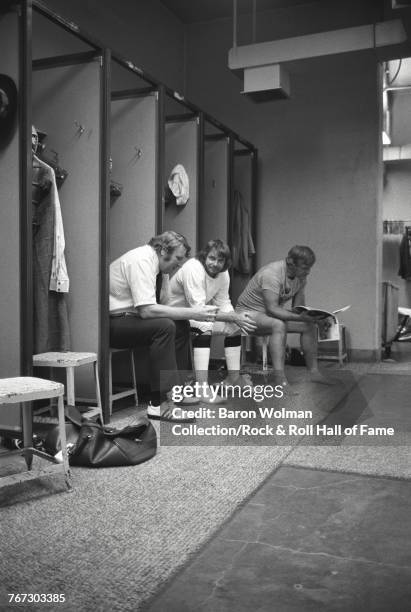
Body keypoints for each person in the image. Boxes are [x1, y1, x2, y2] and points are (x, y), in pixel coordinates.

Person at [109, 231, 218, 421]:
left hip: (129, 318)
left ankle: (178, 391)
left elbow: (158, 308)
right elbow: (147, 311)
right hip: (112, 324)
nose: (179, 263)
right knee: (164, 327)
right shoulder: (142, 260)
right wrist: (194, 313)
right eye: (177, 258)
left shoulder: (157, 266)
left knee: (180, 325)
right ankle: (159, 404)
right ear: (163, 251)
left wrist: (188, 315)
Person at [162, 239, 257, 402]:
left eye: (220, 260)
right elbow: (198, 309)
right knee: (204, 326)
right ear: (204, 256)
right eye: (212, 258)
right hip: (174, 315)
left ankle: (234, 378)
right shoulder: (193, 268)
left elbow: (223, 302)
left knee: (234, 325)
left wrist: (237, 319)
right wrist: (233, 316)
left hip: (193, 313)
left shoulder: (223, 273)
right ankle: (201, 388)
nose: (216, 264)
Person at [235, 245, 333, 391]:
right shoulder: (271, 274)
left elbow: (299, 309)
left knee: (308, 326)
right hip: (246, 315)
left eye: (309, 267)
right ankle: (280, 379)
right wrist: (305, 318)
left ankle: (313, 372)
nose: (308, 272)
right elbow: (273, 309)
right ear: (290, 263)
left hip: (267, 315)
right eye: (305, 267)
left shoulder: (301, 277)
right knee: (278, 324)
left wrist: (316, 318)